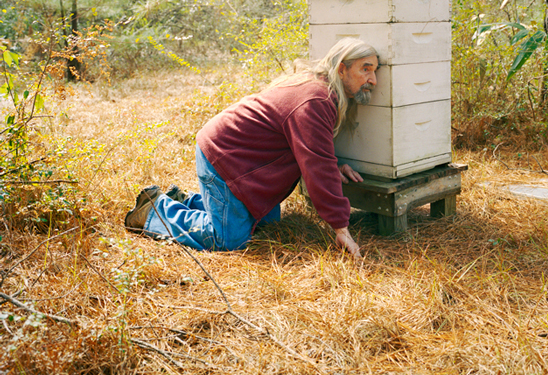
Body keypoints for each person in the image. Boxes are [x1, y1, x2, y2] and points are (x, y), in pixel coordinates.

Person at [124, 37, 380, 259]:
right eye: (365, 69)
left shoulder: (319, 89)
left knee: (267, 223)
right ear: (342, 69)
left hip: (246, 162)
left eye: (375, 70)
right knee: (227, 240)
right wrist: (341, 228)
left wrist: (334, 166)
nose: (373, 79)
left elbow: (310, 148)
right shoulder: (316, 98)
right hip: (224, 157)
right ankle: (153, 211)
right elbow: (315, 165)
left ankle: (188, 201)